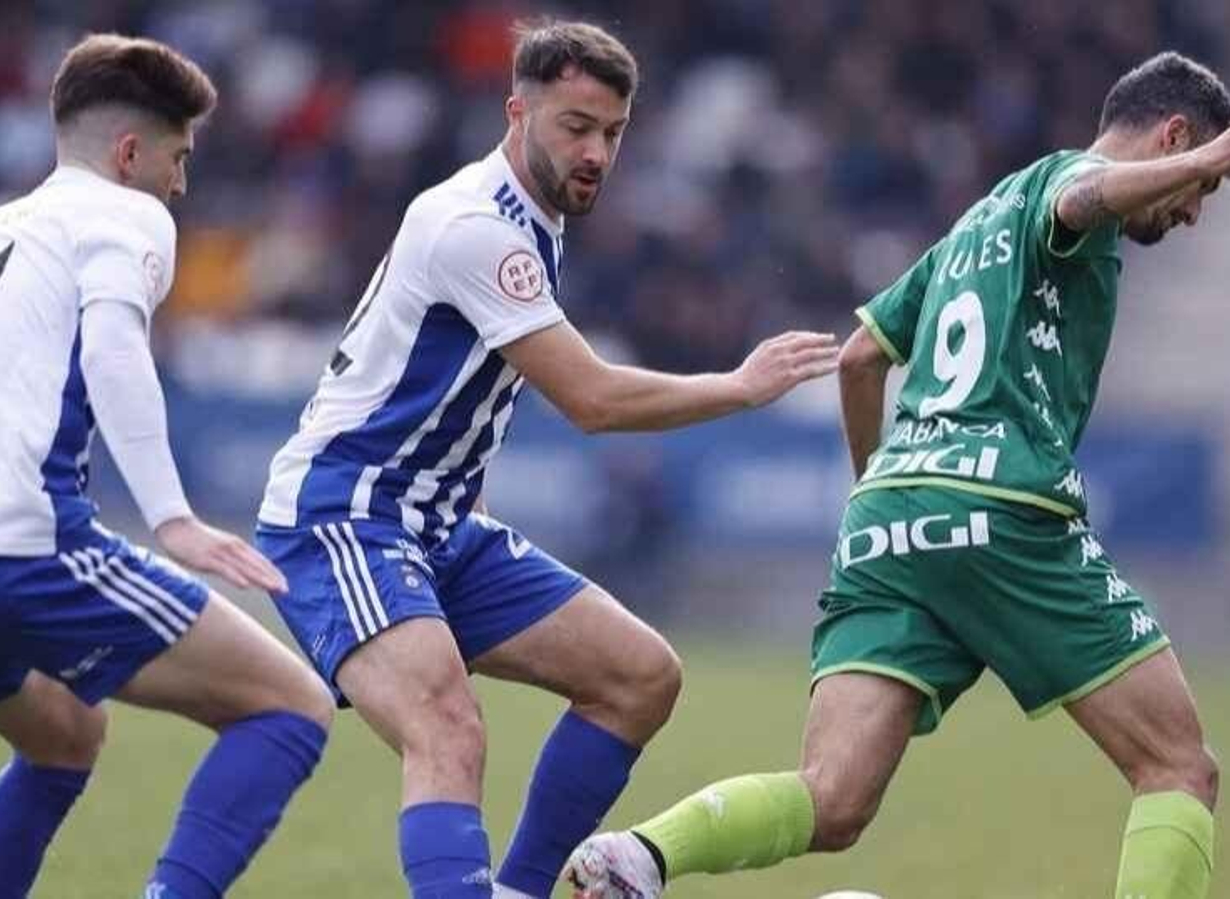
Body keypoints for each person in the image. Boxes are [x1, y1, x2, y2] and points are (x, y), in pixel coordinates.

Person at [566, 52, 1230, 899]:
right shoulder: (1066, 186)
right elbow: (1087, 196)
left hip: (891, 515)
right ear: (1174, 137)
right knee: (1178, 765)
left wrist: (878, 491)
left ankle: (638, 856)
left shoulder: (974, 226)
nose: (1193, 210)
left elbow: (860, 356)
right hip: (1003, 506)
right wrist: (1208, 159)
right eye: (1202, 186)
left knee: (832, 796)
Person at [253, 19, 839, 899]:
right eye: (576, 126)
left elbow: (468, 383)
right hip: (345, 515)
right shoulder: (476, 228)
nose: (596, 152)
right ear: (517, 113)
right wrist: (740, 386)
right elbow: (591, 399)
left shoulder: (536, 217)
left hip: (438, 525)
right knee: (447, 729)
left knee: (638, 676)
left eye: (612, 132)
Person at [0, 34, 334, 899]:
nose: (180, 184)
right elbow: (116, 351)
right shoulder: (124, 213)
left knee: (62, 738)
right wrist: (172, 518)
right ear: (128, 153)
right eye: (178, 157)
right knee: (290, 705)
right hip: (13, 540)